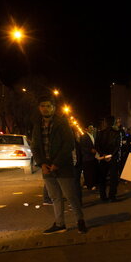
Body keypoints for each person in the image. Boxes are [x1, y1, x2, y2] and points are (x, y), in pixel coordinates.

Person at [30, 95, 87, 234]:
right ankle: (60, 223)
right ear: (39, 108)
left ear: (54, 108)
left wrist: (56, 163)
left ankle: (80, 220)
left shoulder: (62, 123)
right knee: (55, 197)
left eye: (48, 106)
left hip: (63, 167)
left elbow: (69, 144)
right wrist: (42, 163)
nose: (45, 109)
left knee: (70, 196)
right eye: (43, 106)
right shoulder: (37, 125)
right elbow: (35, 146)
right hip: (46, 167)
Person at [95, 116, 124, 202]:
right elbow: (118, 146)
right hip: (113, 158)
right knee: (113, 178)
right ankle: (112, 196)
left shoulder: (100, 133)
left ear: (105, 122)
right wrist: (111, 155)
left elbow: (97, 145)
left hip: (103, 158)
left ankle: (103, 196)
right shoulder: (117, 133)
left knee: (102, 178)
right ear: (113, 122)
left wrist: (103, 155)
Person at [79, 124, 98, 190]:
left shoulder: (93, 136)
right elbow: (82, 147)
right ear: (86, 129)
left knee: (92, 171)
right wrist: (90, 150)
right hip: (87, 157)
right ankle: (89, 184)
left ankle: (89, 183)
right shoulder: (84, 136)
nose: (92, 129)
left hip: (93, 157)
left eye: (92, 128)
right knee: (88, 171)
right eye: (90, 128)